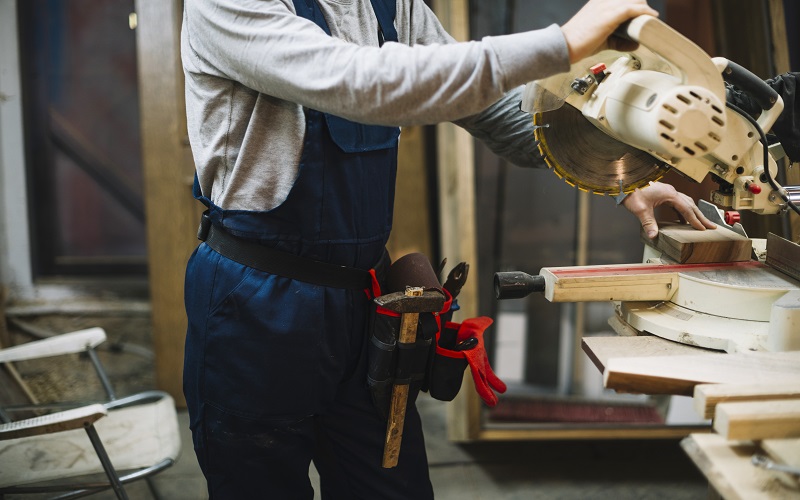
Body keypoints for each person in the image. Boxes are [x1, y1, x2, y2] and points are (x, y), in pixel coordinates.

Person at [180, 0, 715, 498]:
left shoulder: (392, 5)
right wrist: (563, 44)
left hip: (365, 307)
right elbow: (362, 84)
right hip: (255, 309)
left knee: (393, 485)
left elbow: (494, 110)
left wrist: (617, 175)